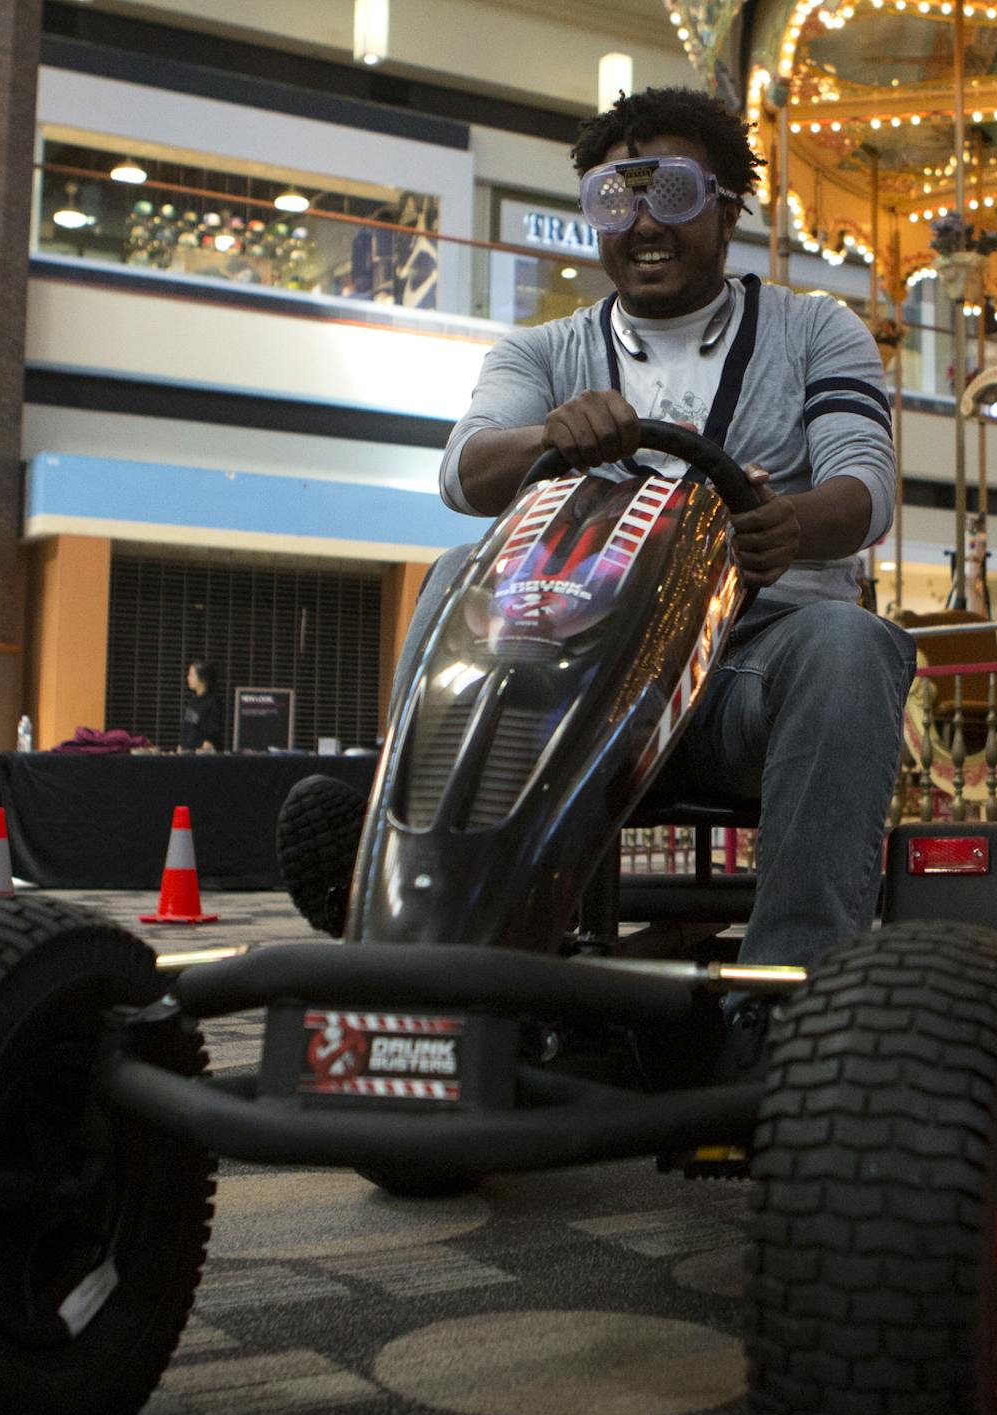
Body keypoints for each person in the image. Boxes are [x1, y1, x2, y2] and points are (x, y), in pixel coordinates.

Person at [280, 86, 911, 980]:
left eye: (675, 195)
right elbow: (462, 473)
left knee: (850, 641)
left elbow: (867, 487)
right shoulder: (541, 354)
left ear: (728, 207)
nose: (644, 224)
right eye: (618, 199)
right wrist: (548, 435)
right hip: (573, 686)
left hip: (746, 682)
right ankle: (404, 896)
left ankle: (792, 986)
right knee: (457, 567)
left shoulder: (816, 331)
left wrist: (785, 526)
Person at [180, 660, 228, 752]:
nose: (188, 678)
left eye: (191, 675)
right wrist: (181, 745)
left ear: (202, 678)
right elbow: (188, 726)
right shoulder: (193, 701)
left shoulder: (213, 702)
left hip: (200, 753)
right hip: (187, 751)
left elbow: (213, 729)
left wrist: (207, 745)